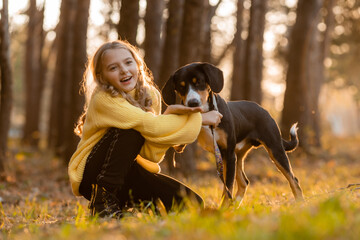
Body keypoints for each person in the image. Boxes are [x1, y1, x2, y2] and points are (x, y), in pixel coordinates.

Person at [68, 40, 223, 218]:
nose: (124, 70)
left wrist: (168, 117)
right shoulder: (103, 99)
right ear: (102, 76)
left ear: (137, 64)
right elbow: (149, 125)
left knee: (191, 203)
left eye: (128, 62)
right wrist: (200, 118)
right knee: (131, 128)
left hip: (130, 171)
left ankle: (125, 205)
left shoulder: (150, 96)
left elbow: (151, 153)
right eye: (113, 68)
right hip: (92, 175)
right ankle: (102, 204)